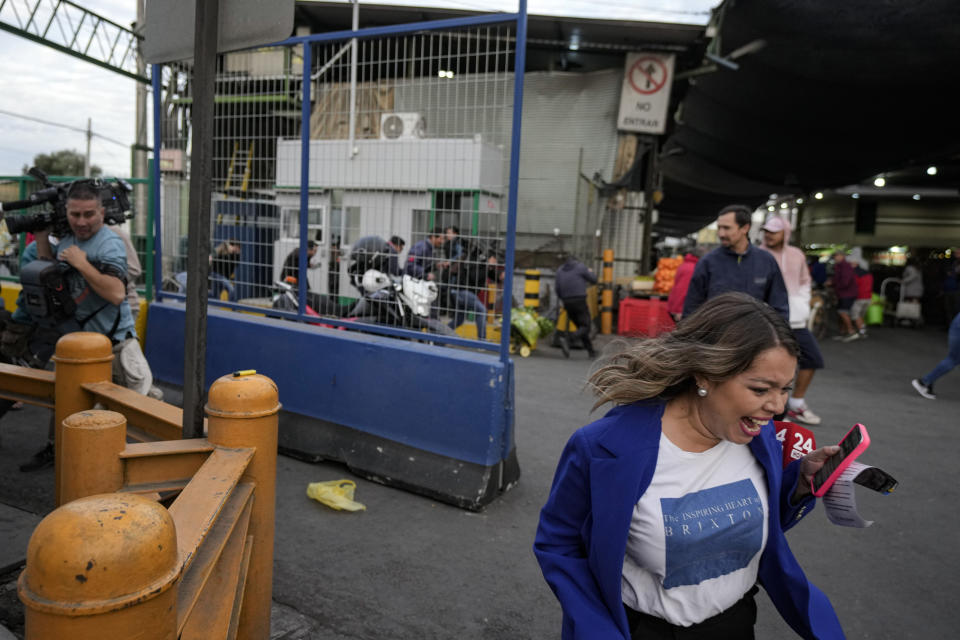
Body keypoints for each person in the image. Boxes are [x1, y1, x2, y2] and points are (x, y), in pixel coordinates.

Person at [534, 292, 845, 640]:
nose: (777, 406)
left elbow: (751, 523)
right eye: (760, 389)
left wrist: (798, 484)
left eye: (786, 388)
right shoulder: (604, 448)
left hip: (735, 625)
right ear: (705, 376)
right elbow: (559, 544)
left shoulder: (760, 436)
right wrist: (597, 629)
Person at [22, 181, 156, 471]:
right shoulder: (69, 239)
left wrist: (83, 264)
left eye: (89, 215)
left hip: (115, 344)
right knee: (69, 402)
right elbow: (51, 274)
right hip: (80, 344)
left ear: (102, 211)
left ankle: (148, 474)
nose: (81, 222)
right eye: (75, 214)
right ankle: (61, 453)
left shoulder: (109, 242)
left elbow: (116, 293)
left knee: (137, 408)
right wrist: (43, 238)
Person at [758, 215, 824, 426]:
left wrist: (801, 305)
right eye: (766, 231)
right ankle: (767, 409)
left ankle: (796, 403)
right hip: (766, 322)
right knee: (763, 366)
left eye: (774, 231)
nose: (768, 235)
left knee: (812, 358)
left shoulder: (796, 255)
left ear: (785, 233)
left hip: (795, 321)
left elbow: (805, 282)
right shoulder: (758, 255)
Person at [682, 204, 788, 320]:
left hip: (754, 335)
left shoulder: (766, 261)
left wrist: (780, 336)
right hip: (717, 335)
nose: (721, 234)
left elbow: (779, 305)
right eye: (719, 228)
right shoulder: (708, 262)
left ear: (745, 228)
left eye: (727, 228)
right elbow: (691, 307)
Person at [442, 226, 488, 339]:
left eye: (449, 233)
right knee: (481, 311)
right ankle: (482, 341)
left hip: (458, 288)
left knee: (459, 319)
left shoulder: (460, 248)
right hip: (462, 289)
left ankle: (440, 335)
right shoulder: (470, 259)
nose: (447, 235)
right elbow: (473, 276)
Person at [554, 253, 597, 359]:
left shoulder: (560, 270)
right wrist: (590, 272)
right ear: (576, 261)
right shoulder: (580, 267)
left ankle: (591, 352)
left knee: (581, 327)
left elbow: (557, 289)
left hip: (567, 302)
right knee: (586, 326)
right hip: (579, 300)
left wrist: (563, 300)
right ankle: (568, 340)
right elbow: (594, 280)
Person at [911, 310, 960, 400]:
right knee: (953, 360)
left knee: (953, 359)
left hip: (956, 327)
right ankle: (923, 382)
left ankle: (925, 381)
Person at [665, 246, 703, 321]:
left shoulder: (686, 264)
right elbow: (683, 290)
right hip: (681, 310)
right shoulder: (692, 269)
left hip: (676, 306)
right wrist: (680, 310)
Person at [829, 250, 859, 341]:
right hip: (843, 293)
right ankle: (844, 332)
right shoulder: (839, 266)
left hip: (847, 293)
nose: (835, 257)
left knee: (843, 312)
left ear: (842, 256)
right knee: (841, 312)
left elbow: (845, 282)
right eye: (834, 256)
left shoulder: (845, 266)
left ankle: (851, 331)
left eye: (836, 255)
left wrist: (835, 285)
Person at [852, 260, 874, 339]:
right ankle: (862, 329)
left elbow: (854, 285)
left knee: (856, 315)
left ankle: (862, 331)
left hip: (860, 297)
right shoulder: (869, 275)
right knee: (861, 315)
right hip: (868, 297)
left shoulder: (856, 274)